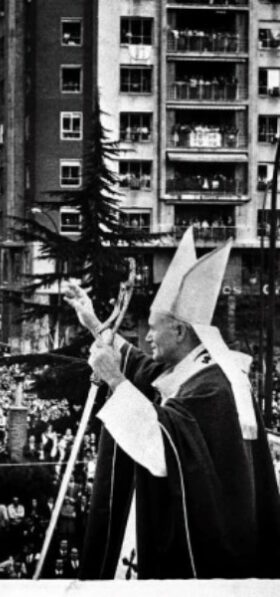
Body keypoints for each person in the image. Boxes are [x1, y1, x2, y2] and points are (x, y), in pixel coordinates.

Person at [65, 228, 280, 579]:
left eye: (153, 328)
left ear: (180, 332)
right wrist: (94, 323)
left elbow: (162, 446)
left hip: (206, 552)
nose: (147, 336)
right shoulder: (203, 367)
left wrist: (116, 382)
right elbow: (146, 369)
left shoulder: (214, 388)